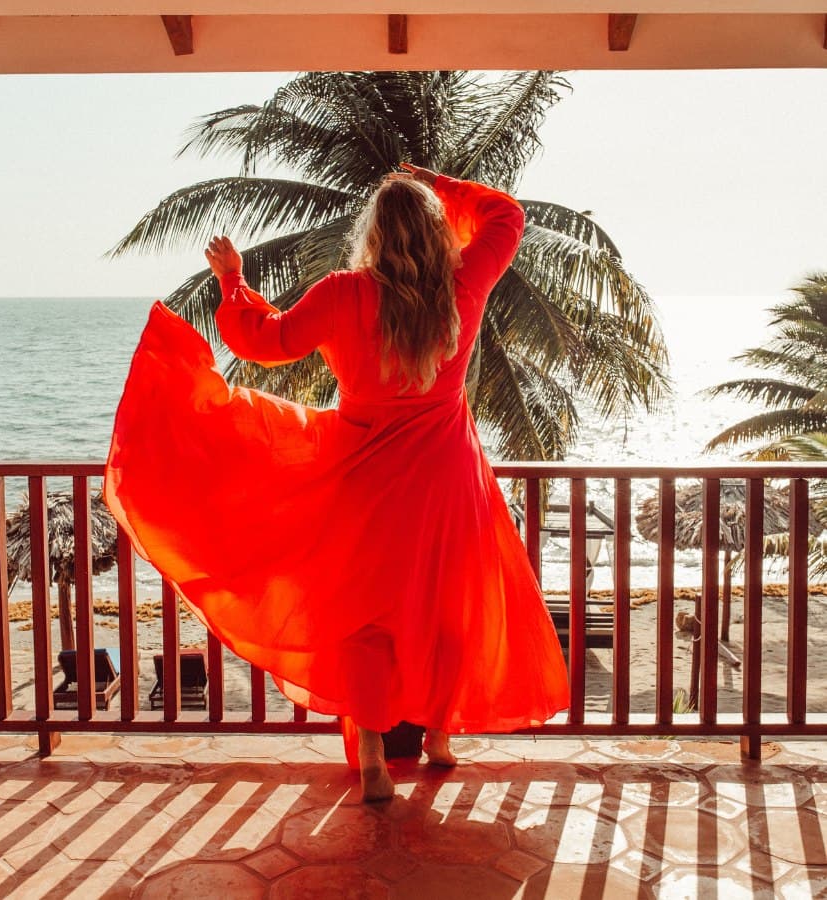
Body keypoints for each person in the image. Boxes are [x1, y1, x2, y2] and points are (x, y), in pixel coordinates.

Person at [104, 163, 569, 803]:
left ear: (374, 235)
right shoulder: (462, 287)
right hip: (446, 478)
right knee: (447, 608)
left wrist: (232, 280)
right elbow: (508, 217)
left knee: (365, 622)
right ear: (437, 233)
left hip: (366, 481)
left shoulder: (345, 294)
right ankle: (438, 736)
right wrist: (443, 184)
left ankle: (375, 759)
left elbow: (265, 343)